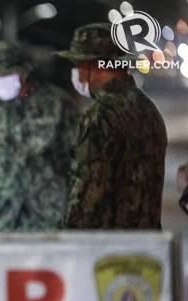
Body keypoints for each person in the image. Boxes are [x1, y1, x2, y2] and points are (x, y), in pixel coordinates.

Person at [54, 23, 167, 229]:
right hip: (148, 245)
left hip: (107, 249)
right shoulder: (149, 109)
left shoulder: (100, 116)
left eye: (78, 63)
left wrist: (63, 238)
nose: (76, 72)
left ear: (95, 65)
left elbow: (88, 198)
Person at [0, 40, 79, 233]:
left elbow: (78, 159)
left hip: (49, 214)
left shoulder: (59, 105)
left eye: (5, 74)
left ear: (23, 73)